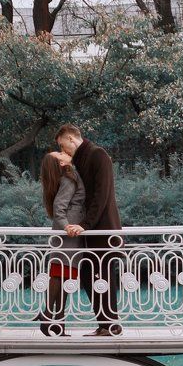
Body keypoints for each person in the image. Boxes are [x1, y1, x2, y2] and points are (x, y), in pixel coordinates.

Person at [50, 123, 123, 337]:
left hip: (103, 230)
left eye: (63, 146)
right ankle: (104, 325)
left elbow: (102, 195)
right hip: (88, 232)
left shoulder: (98, 155)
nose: (63, 150)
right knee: (89, 276)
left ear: (71, 139)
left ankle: (111, 326)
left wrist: (85, 225)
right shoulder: (80, 159)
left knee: (103, 278)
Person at [36, 152, 86, 337]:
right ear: (60, 164)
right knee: (60, 274)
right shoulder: (68, 180)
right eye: (59, 154)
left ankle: (57, 322)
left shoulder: (70, 175)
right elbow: (59, 207)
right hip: (68, 233)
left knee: (64, 275)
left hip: (69, 232)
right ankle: (49, 315)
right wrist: (67, 227)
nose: (63, 152)